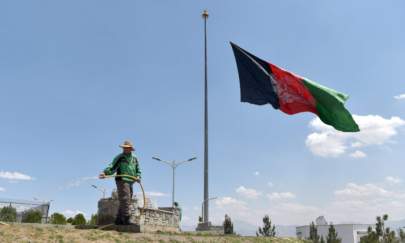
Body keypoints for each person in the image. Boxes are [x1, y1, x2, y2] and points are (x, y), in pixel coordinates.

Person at [99, 140, 141, 225]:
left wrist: (138, 176)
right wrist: (105, 173)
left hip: (131, 181)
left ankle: (119, 220)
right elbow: (112, 166)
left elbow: (138, 169)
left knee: (127, 200)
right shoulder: (120, 157)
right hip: (122, 180)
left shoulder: (135, 158)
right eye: (124, 148)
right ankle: (126, 219)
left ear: (130, 149)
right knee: (125, 199)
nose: (125, 149)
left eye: (127, 148)